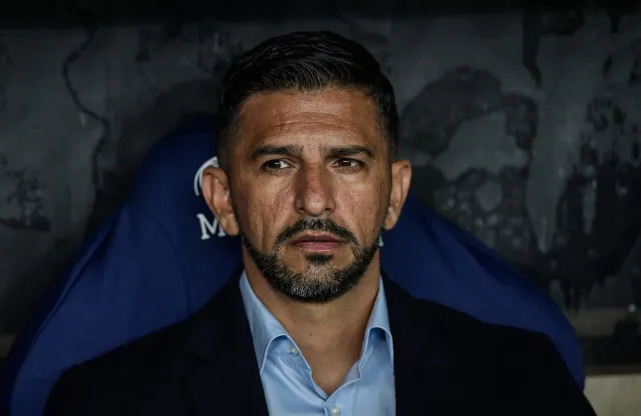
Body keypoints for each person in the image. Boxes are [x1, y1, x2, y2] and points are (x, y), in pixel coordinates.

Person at [44, 31, 595, 415]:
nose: (313, 200)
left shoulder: (527, 382)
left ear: (395, 194)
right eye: (278, 164)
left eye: (348, 163)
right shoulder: (102, 403)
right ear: (224, 199)